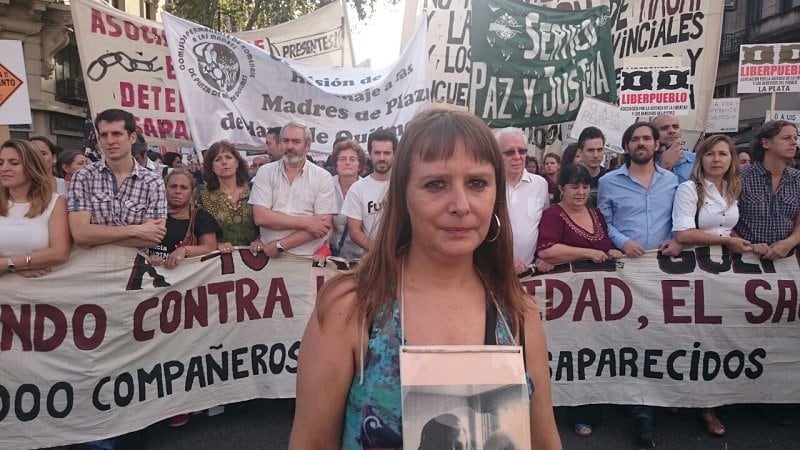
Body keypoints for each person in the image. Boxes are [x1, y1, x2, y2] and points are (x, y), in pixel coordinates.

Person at [288, 107, 561, 450]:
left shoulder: (519, 312)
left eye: (477, 183)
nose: (460, 204)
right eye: (436, 184)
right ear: (404, 196)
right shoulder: (350, 307)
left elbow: (545, 440)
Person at [598, 121, 682, 448]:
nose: (642, 143)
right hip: (628, 271)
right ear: (627, 146)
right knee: (633, 335)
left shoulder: (672, 181)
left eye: (647, 138)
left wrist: (676, 240)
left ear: (656, 144)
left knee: (664, 333)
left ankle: (664, 394)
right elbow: (602, 222)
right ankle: (639, 409)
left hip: (664, 271)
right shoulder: (608, 182)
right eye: (635, 139)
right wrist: (621, 240)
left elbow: (680, 219)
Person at [671, 134, 748, 437]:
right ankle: (694, 401)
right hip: (693, 270)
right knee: (691, 336)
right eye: (710, 154)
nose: (717, 159)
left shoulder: (734, 190)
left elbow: (731, 227)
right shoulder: (690, 189)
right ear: (700, 159)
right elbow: (683, 233)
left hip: (725, 272)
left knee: (717, 337)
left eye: (723, 154)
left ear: (731, 160)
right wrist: (726, 240)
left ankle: (710, 401)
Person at [68, 108, 166, 250]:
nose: (110, 141)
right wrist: (136, 230)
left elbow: (153, 238)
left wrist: (95, 236)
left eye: (116, 134)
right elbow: (79, 234)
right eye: (104, 135)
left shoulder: (153, 182)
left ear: (132, 137)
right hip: (90, 265)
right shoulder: (83, 176)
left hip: (132, 265)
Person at [249, 122, 338, 258]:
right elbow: (261, 217)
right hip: (269, 260)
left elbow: (322, 226)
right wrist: (306, 223)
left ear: (307, 146)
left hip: (307, 259)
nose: (290, 146)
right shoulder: (265, 172)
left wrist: (281, 245)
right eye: (285, 141)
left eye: (296, 142)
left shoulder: (322, 177)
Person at [0, 139, 71, 277]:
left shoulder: (55, 202)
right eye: (0, 163)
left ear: (33, 167)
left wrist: (8, 265)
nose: (4, 168)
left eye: (14, 163)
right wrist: (17, 267)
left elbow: (60, 252)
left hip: (40, 291)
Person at [735, 120, 800, 261]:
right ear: (765, 143)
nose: (794, 142)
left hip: (788, 262)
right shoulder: (740, 179)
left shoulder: (797, 179)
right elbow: (723, 221)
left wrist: (790, 242)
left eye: (795, 138)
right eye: (786, 138)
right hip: (744, 260)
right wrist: (748, 245)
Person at [495, 127, 549, 274]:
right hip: (495, 272)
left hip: (531, 271)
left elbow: (545, 226)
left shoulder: (540, 184)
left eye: (522, 151)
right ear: (496, 154)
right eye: (510, 152)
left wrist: (543, 255)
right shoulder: (489, 185)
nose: (517, 157)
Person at [147, 169, 221, 269]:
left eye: (183, 188)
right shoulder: (151, 212)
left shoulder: (201, 217)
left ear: (191, 192)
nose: (177, 191)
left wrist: (184, 250)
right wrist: (147, 257)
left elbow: (210, 247)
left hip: (186, 278)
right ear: (164, 188)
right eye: (173, 186)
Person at [198, 141, 260, 252]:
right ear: (211, 167)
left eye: (228, 157)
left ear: (237, 163)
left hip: (255, 258)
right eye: (218, 159)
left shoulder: (254, 190)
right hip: (218, 262)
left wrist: (261, 240)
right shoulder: (203, 196)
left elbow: (265, 223)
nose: (224, 162)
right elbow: (198, 230)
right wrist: (216, 244)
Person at [342, 129, 397, 253]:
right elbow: (355, 232)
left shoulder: (406, 185)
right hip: (372, 261)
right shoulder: (357, 189)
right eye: (377, 153)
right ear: (370, 155)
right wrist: (380, 252)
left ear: (395, 154)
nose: (382, 158)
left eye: (387, 153)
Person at [328, 139, 366, 261]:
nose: (347, 163)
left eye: (352, 159)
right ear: (336, 164)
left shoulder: (368, 189)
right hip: (335, 257)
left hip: (364, 258)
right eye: (343, 159)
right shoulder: (326, 186)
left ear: (359, 166)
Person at [652, 114, 696, 183]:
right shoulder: (646, 163)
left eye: (675, 127)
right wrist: (663, 166)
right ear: (653, 134)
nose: (672, 131)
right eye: (664, 128)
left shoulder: (697, 160)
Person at [577, 126, 607, 208]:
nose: (596, 155)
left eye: (599, 150)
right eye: (590, 150)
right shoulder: (569, 178)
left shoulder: (611, 178)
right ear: (580, 152)